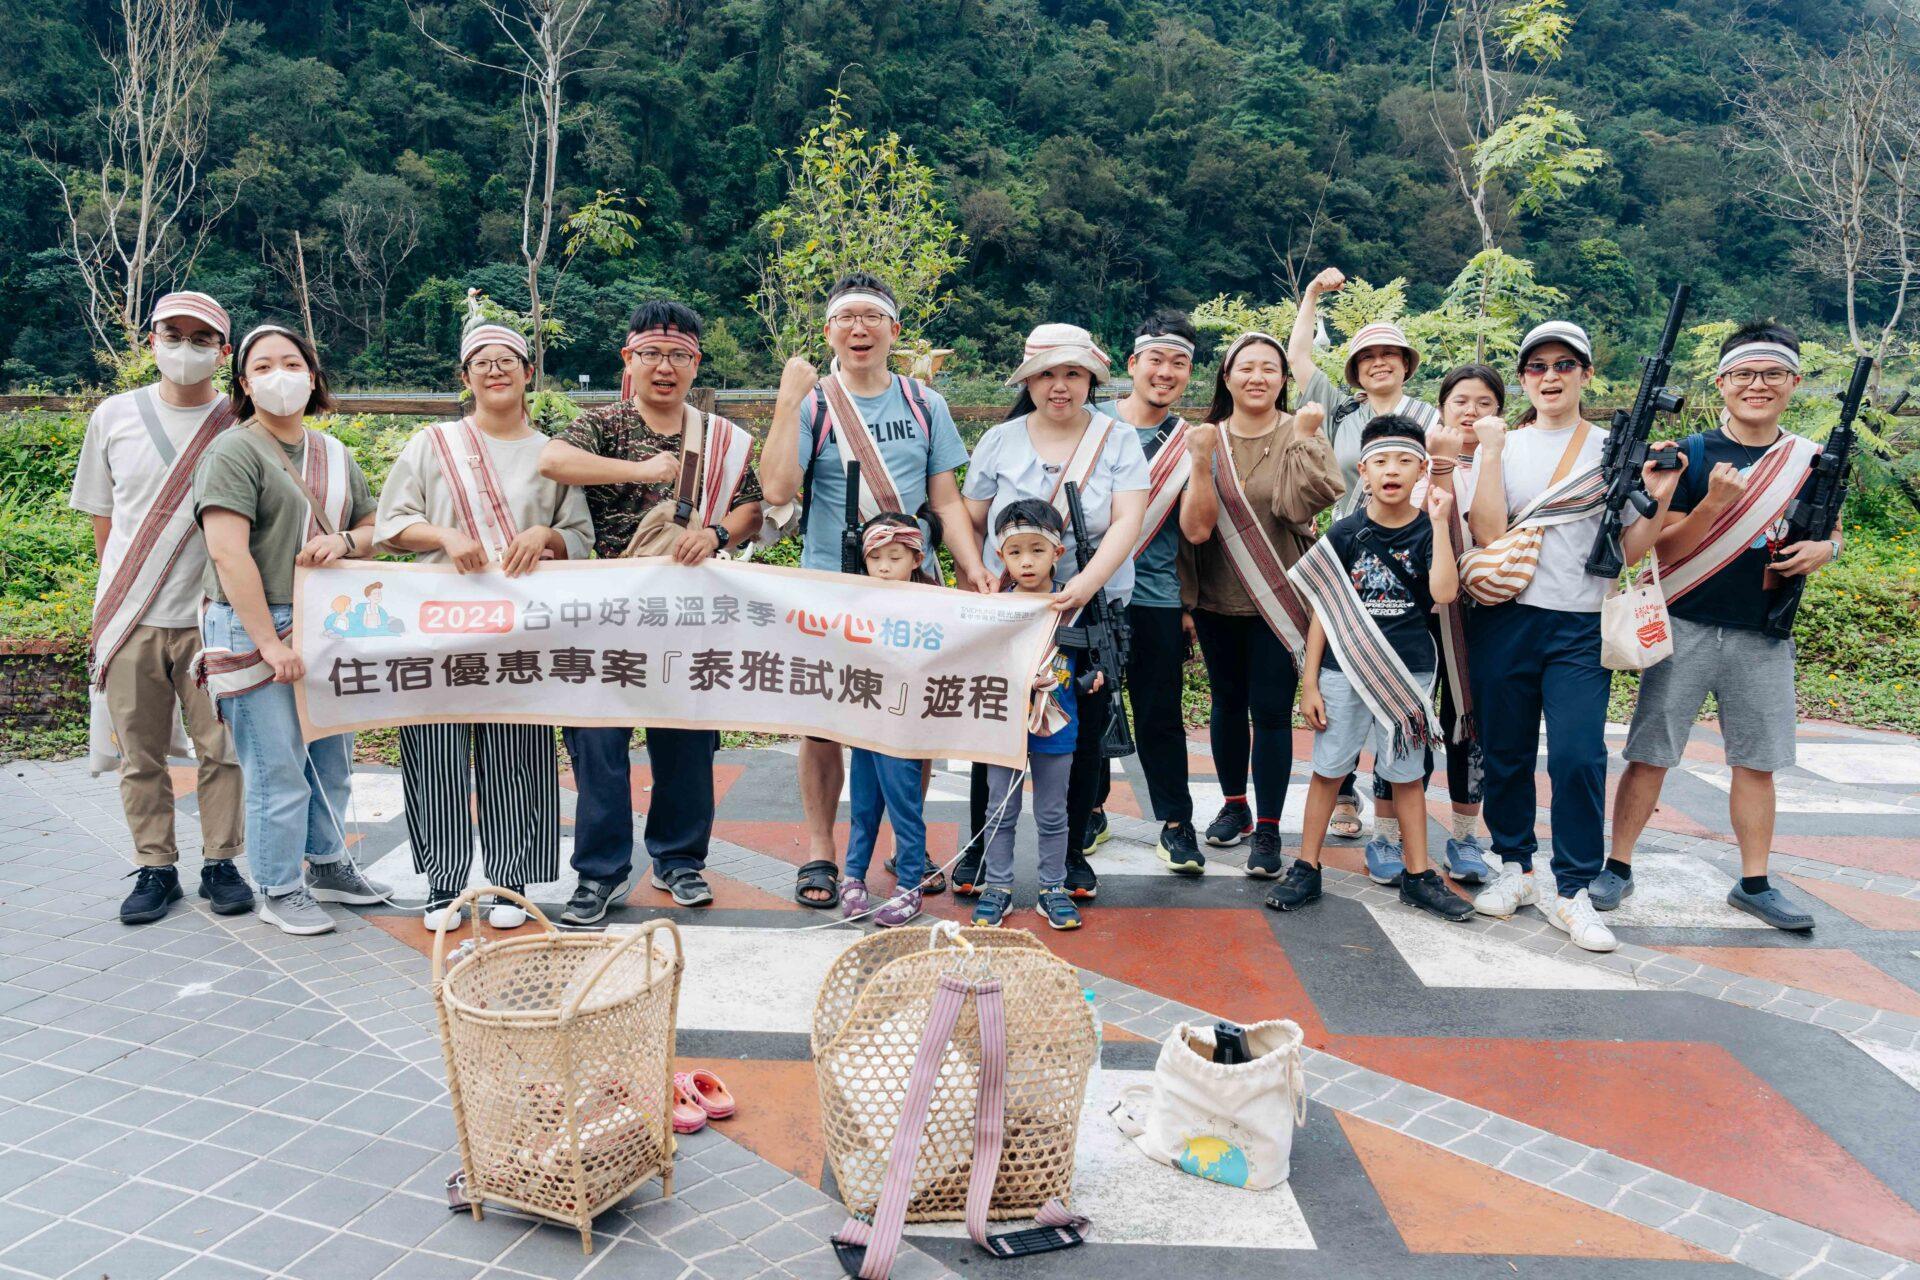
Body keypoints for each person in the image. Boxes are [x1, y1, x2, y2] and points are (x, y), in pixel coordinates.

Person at [758, 272, 994, 909]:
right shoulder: (812, 404)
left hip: (910, 587)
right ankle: (821, 851)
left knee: (910, 718)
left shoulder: (924, 403)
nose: (858, 329)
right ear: (830, 328)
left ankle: (907, 849)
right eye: (845, 318)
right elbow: (777, 490)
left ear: (893, 329)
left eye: (871, 317)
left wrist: (972, 567)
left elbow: (944, 497)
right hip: (832, 589)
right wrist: (786, 400)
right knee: (822, 721)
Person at [537, 300, 763, 923]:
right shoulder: (604, 424)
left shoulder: (721, 438)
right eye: (651, 354)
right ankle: (601, 873)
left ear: (696, 363)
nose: (664, 367)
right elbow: (552, 461)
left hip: (689, 616)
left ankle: (679, 860)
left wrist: (717, 534)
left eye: (678, 356)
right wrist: (638, 468)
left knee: (687, 742)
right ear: (628, 360)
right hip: (604, 614)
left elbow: (753, 508)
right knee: (598, 746)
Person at [1604, 324, 1836, 931]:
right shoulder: (1693, 453)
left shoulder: (1811, 460)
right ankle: (1617, 867)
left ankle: (1755, 882)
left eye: (1771, 375)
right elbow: (1663, 549)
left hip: (1763, 631)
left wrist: (1826, 551)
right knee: (1650, 753)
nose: (1757, 386)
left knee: (1756, 762)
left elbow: (1827, 529)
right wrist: (1713, 505)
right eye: (1743, 374)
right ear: (1722, 383)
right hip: (1684, 621)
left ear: (1793, 384)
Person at [1465, 320, 1684, 952]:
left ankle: (1574, 888)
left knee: (1578, 755)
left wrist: (1660, 496)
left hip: (1581, 623)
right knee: (1504, 750)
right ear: (1524, 378)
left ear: (1586, 374)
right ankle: (1513, 865)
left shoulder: (1614, 448)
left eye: (1565, 365)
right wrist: (1491, 453)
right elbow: (1487, 532)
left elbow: (1628, 550)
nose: (1551, 377)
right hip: (1508, 617)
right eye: (1538, 367)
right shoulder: (1505, 444)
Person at [375, 322, 594, 930]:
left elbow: (581, 538)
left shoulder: (553, 453)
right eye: (482, 362)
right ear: (465, 376)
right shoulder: (433, 444)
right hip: (438, 626)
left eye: (508, 361)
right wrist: (444, 534)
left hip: (519, 633)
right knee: (436, 750)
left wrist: (544, 535)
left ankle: (509, 882)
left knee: (517, 751)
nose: (495, 371)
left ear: (529, 373)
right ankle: (443, 883)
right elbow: (393, 523)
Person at [193, 325, 391, 936]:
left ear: (312, 375)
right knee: (277, 766)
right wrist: (270, 643)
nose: (281, 375)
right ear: (245, 383)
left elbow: (374, 524)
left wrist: (349, 541)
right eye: (264, 366)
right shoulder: (233, 451)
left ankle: (329, 864)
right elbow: (229, 555)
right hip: (259, 623)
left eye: (292, 362)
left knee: (330, 758)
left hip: (325, 620)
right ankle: (278, 886)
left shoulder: (333, 453)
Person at [953, 323, 1149, 905]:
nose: (1059, 386)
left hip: (1091, 610)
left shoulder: (1117, 439)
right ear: (1028, 381)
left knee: (1080, 730)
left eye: (1072, 374)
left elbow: (1127, 520)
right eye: (1045, 375)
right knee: (995, 727)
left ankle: (1068, 856)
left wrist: (1086, 584)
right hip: (1011, 614)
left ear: (1091, 378)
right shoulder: (1000, 440)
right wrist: (978, 573)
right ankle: (983, 846)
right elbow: (967, 517)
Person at [70, 291, 249, 925]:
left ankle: (221, 862)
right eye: (172, 334)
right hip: (132, 617)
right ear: (151, 340)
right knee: (138, 754)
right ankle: (155, 867)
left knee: (222, 749)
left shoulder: (240, 424)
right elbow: (104, 521)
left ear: (223, 351)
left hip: (214, 617)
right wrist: (125, 597)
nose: (185, 348)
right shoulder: (113, 416)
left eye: (201, 339)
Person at [1269, 416, 1473, 920]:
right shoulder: (1345, 532)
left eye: (1405, 460)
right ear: (1363, 470)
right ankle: (1307, 867)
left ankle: (1419, 874)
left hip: (1408, 672)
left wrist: (1443, 523)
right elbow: (1322, 609)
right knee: (1327, 770)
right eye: (1381, 461)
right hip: (1343, 671)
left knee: (1407, 776)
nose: (1392, 470)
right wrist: (1310, 681)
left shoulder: (1429, 528)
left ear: (1422, 469)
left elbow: (1445, 593)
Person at [1177, 333, 1343, 875]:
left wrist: (1310, 441)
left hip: (1282, 599)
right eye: (1245, 367)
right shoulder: (1204, 438)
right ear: (1226, 378)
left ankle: (1269, 829)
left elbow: (1311, 501)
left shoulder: (1301, 428)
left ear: (1283, 378)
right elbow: (1191, 529)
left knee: (1270, 713)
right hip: (1216, 595)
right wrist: (1200, 462)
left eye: (1269, 368)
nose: (1257, 377)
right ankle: (1234, 806)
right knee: (1226, 705)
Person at [1290, 267, 1440, 839]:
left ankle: (1391, 819)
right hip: (1349, 554)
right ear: (1356, 368)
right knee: (1340, 681)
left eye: (1391, 354)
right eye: (1369, 356)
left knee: (1399, 683)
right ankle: (1344, 792)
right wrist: (1310, 297)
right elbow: (1299, 358)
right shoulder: (1342, 411)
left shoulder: (1429, 418)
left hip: (1413, 558)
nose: (1380, 362)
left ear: (1406, 363)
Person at [1361, 363, 1507, 886]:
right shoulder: (1405, 467)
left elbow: (1496, 532)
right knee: (1401, 724)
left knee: (1469, 725)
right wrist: (1438, 465)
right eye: (1460, 402)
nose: (1471, 412)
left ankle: (1466, 838)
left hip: (1481, 621)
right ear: (1440, 409)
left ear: (1499, 414)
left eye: (1484, 403)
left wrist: (1483, 455)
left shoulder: (1503, 462)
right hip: (1411, 624)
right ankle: (1386, 835)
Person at [1086, 310, 1208, 871]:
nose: (1165, 372)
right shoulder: (1090, 424)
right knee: (1085, 704)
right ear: (1133, 364)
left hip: (1155, 595)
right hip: (1088, 590)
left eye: (1178, 363)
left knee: (1159, 712)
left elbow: (1195, 533)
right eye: (1155, 360)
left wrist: (1203, 465)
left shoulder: (1188, 442)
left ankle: (1176, 821)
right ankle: (1088, 807)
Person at [971, 501, 1103, 930]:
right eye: (1014, 552)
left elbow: (1093, 659)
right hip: (1001, 727)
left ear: (1057, 553)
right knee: (999, 810)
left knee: (1052, 813)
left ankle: (1053, 888)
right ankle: (997, 887)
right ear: (999, 556)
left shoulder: (1075, 604)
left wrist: (1093, 677)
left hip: (1059, 726)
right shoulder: (993, 608)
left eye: (1036, 551)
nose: (1026, 562)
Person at [839, 513, 939, 927]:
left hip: (905, 720)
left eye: (894, 557)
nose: (883, 566)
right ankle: (853, 875)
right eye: (875, 557)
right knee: (863, 801)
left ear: (915, 559)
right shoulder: (855, 598)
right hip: (866, 714)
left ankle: (911, 883)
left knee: (903, 802)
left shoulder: (936, 602)